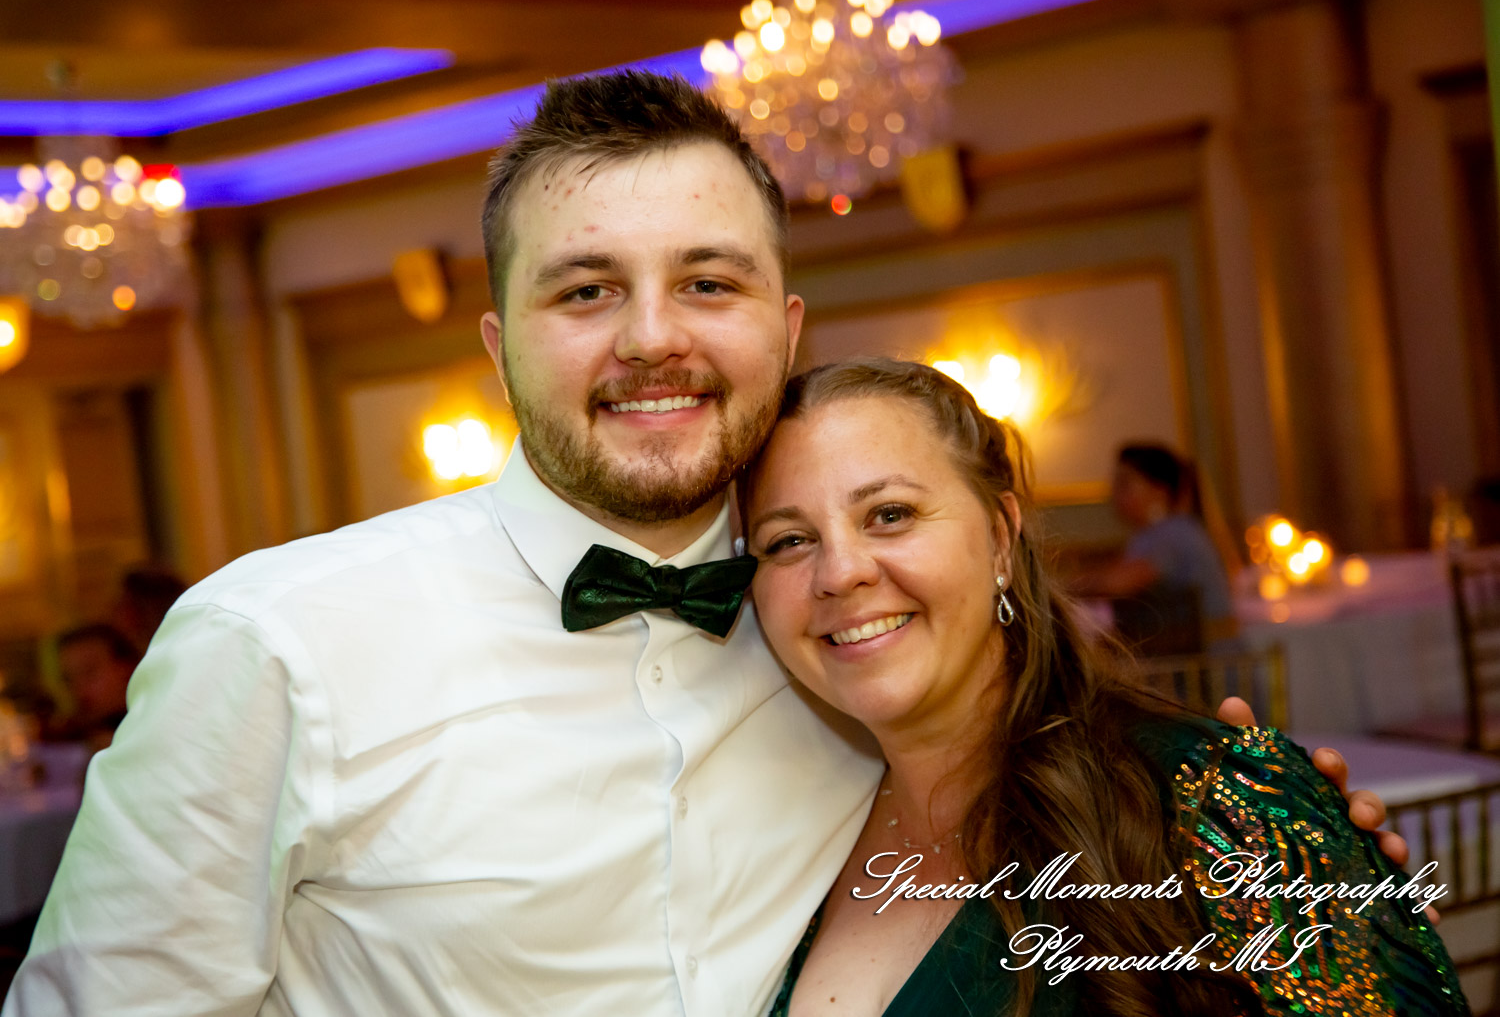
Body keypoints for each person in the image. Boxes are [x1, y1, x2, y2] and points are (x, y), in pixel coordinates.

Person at [6, 73, 1406, 1016]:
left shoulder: (843, 648)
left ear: (785, 330)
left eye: (709, 281)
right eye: (586, 288)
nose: (654, 336)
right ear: (501, 349)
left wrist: (1263, 815)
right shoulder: (276, 642)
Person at [743, 358, 1463, 1016]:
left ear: (999, 537)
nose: (839, 572)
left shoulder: (1205, 796)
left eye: (890, 515)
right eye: (787, 541)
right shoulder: (797, 836)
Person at [1075, 443, 1239, 652]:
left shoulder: (1173, 533)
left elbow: (1117, 582)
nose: (1114, 493)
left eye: (1124, 483)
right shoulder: (1153, 534)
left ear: (1159, 490)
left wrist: (1059, 587)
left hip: (1211, 666)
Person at [49, 623, 140, 751]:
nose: (78, 687)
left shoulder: (157, 730)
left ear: (127, 669)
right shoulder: (69, 742)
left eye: (89, 671)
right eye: (68, 679)